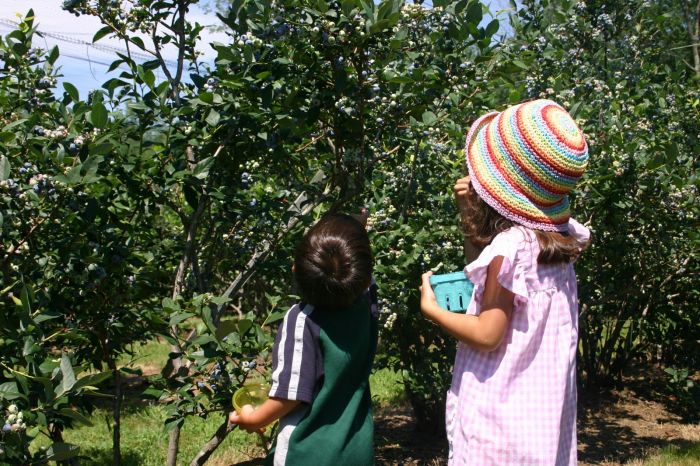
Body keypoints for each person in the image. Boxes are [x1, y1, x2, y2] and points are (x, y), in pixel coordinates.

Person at [419, 99, 591, 465]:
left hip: (499, 422)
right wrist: (469, 215)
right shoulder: (561, 239)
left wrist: (432, 310)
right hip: (539, 422)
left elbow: (488, 333)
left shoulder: (511, 248)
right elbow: (491, 272)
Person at [229, 212, 378, 466]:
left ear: (295, 269)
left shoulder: (302, 321)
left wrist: (254, 419)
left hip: (307, 452)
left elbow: (290, 395)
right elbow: (362, 272)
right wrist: (355, 229)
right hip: (357, 448)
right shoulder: (367, 304)